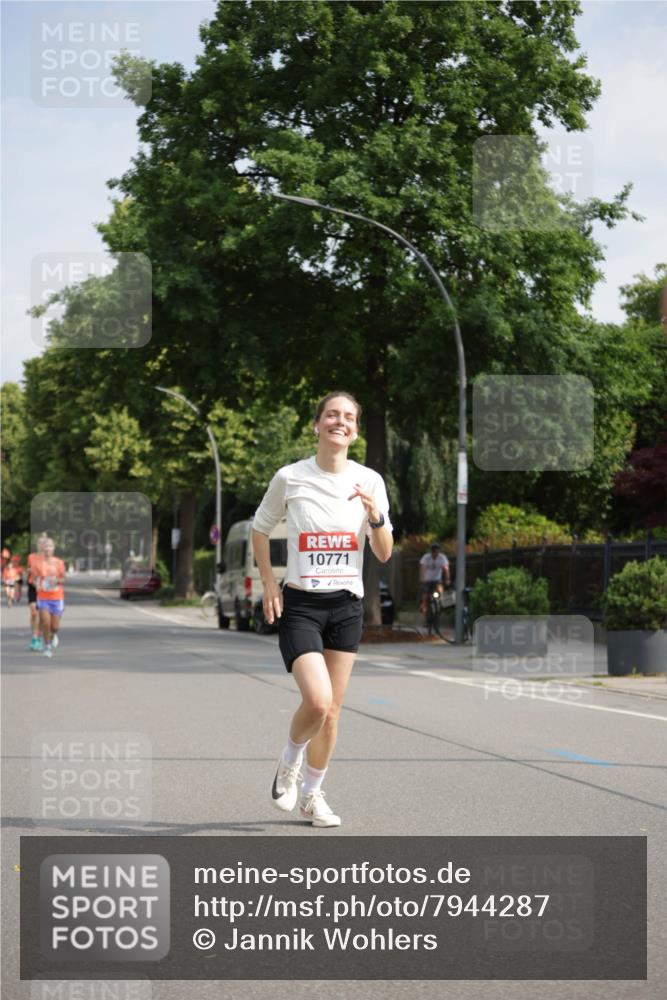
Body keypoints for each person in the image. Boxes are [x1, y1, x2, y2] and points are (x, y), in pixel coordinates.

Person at [252, 391, 393, 828]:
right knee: (317, 701)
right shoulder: (290, 477)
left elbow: (383, 553)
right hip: (302, 605)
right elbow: (260, 529)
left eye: (348, 416)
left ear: (356, 430)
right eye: (332, 414)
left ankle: (313, 796)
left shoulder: (370, 481)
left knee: (332, 712)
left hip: (346, 606)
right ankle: (289, 761)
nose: (340, 421)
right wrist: (269, 581)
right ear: (317, 425)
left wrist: (375, 517)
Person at [33, 537, 66, 658]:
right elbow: (34, 578)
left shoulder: (59, 562)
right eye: (46, 546)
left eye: (50, 546)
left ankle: (53, 635)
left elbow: (64, 578)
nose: (47, 548)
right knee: (45, 622)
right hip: (43, 597)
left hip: (57, 597)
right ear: (42, 548)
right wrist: (37, 584)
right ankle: (47, 646)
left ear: (53, 548)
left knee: (54, 627)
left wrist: (56, 580)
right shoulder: (37, 563)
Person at [27, 534, 47, 650]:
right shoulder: (31, 557)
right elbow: (29, 570)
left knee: (42, 615)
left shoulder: (49, 558)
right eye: (40, 543)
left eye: (44, 543)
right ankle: (34, 636)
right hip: (33, 586)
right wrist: (30, 570)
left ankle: (37, 635)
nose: (41, 545)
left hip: (44, 588)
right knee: (34, 612)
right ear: (37, 544)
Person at [419, 542, 450, 615]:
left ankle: (441, 603)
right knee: (425, 594)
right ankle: (424, 607)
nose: (435, 553)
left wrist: (447, 579)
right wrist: (422, 578)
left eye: (436, 552)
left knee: (440, 589)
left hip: (437, 579)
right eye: (433, 551)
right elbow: (423, 568)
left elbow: (446, 569)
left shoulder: (442, 557)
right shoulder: (426, 557)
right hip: (427, 580)